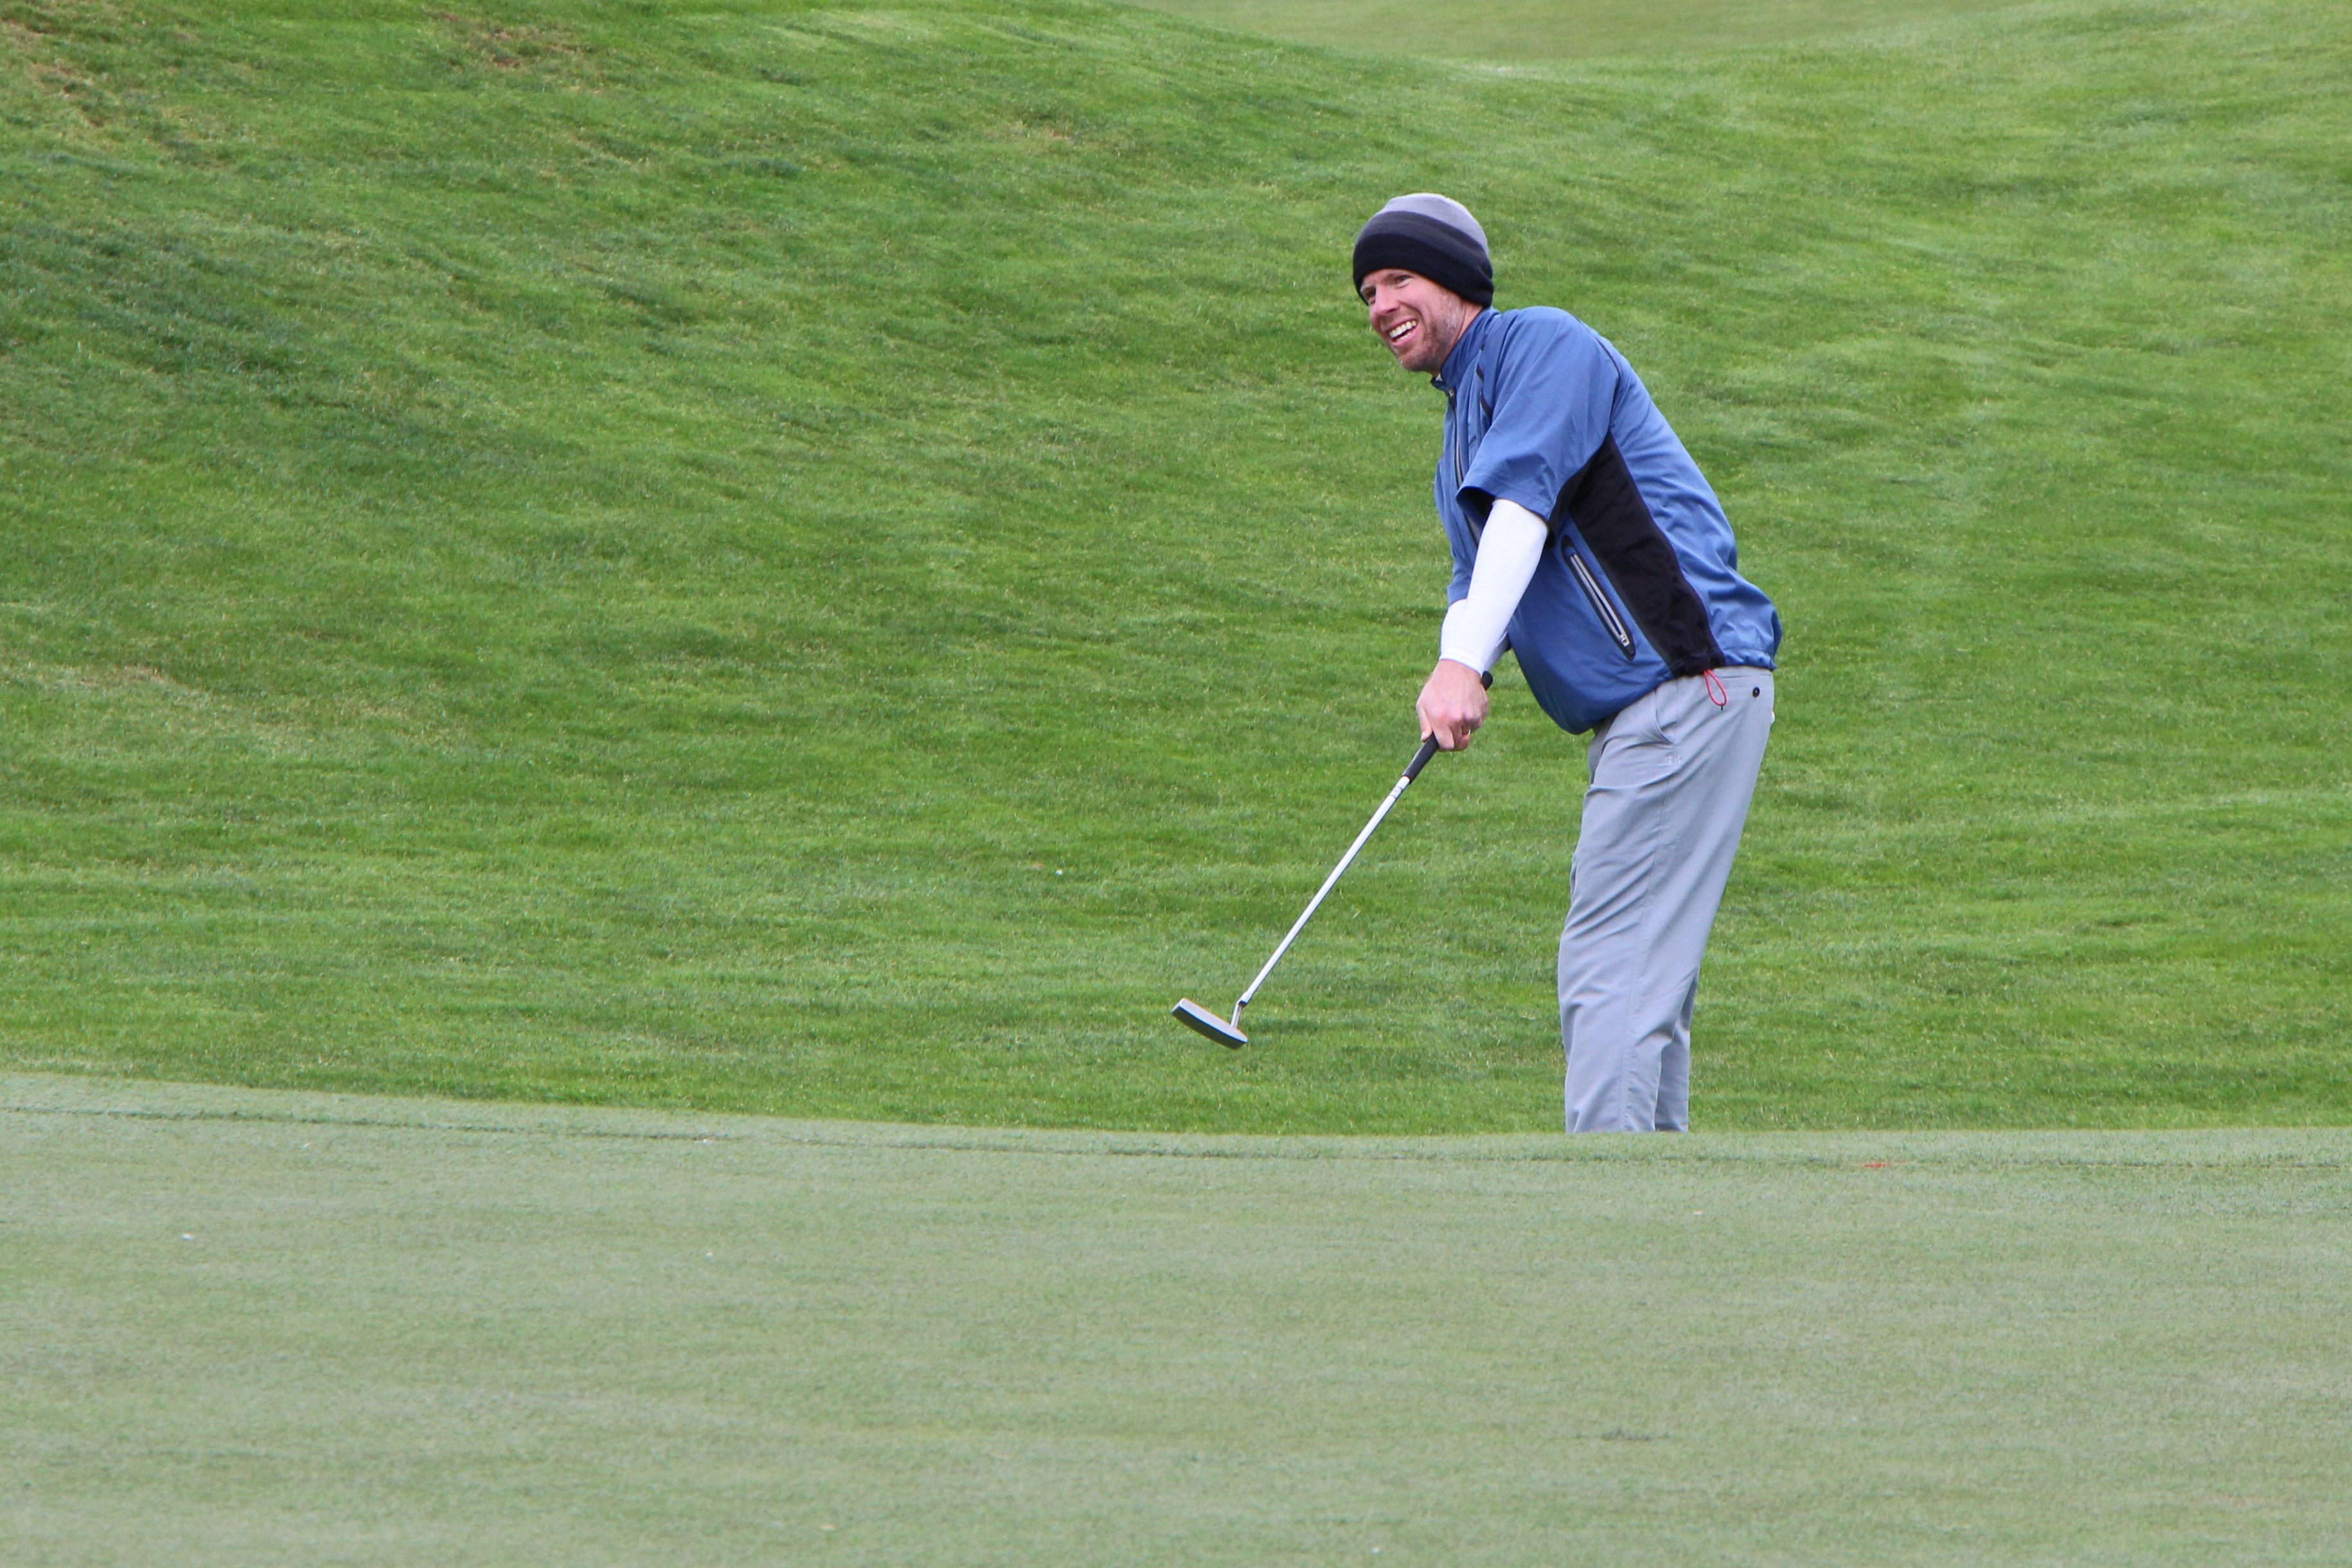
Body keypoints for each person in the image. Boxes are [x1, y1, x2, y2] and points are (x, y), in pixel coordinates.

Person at [1351, 193, 1781, 1133]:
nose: (1379, 305)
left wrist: (1465, 666)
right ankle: (1646, 1194)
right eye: (1367, 292)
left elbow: (1523, 508)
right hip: (1652, 709)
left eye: (1398, 280)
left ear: (1458, 282)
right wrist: (1456, 665)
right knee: (1643, 970)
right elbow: (1477, 584)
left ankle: (1608, 1192)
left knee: (1610, 958)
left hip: (1683, 681)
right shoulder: (1461, 423)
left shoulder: (1546, 347)